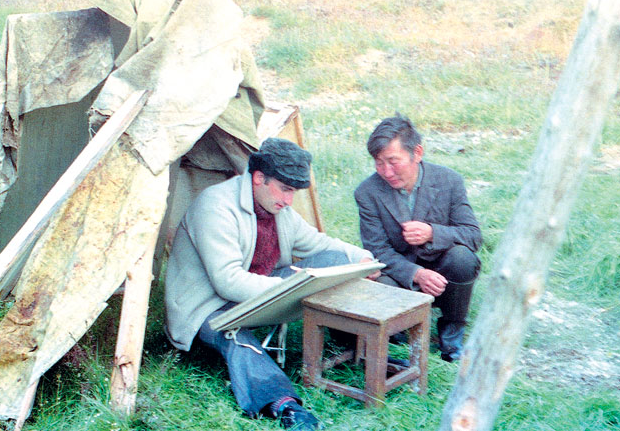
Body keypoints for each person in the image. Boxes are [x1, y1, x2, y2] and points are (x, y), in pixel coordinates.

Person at [165, 137, 375, 430]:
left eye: (294, 192)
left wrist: (361, 258)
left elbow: (318, 243)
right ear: (258, 178)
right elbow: (228, 282)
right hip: (207, 306)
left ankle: (357, 346)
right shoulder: (215, 206)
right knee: (235, 336)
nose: (289, 200)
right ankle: (284, 405)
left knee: (336, 260)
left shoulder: (278, 209)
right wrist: (291, 288)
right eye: (285, 189)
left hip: (261, 291)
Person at [354, 115, 482, 362]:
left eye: (393, 161)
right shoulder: (367, 192)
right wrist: (416, 274)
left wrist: (433, 232)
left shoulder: (449, 181)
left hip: (444, 271)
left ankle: (452, 335)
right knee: (379, 285)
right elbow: (377, 249)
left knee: (463, 258)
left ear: (417, 153)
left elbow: (473, 235)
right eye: (379, 163)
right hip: (400, 273)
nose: (386, 172)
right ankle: (399, 335)